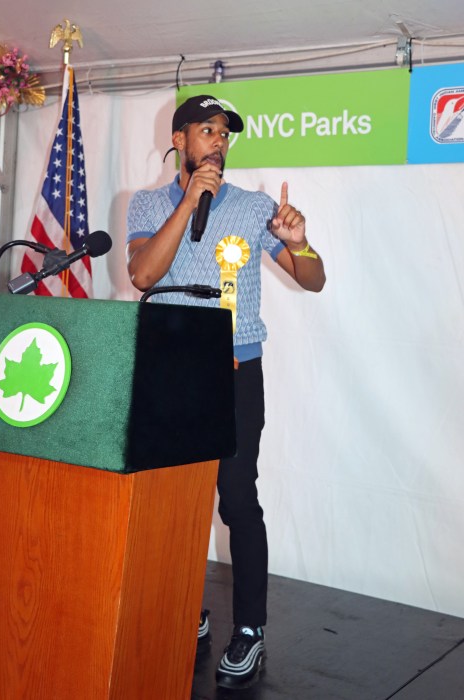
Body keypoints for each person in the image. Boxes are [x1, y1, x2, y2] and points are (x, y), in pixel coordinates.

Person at [126, 94, 326, 689]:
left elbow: (312, 280)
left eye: (225, 133)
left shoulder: (255, 207)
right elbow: (141, 275)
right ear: (180, 139)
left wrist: (299, 242)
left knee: (237, 501)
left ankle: (252, 631)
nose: (218, 142)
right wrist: (189, 200)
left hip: (236, 371)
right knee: (175, 502)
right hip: (169, 372)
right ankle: (188, 610)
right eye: (206, 130)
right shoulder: (146, 203)